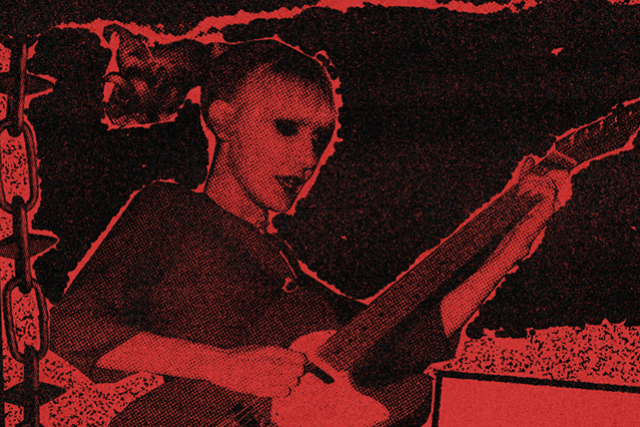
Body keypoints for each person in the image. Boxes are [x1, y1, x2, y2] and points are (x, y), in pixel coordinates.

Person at [50, 40, 568, 427]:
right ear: (223, 120)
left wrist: (514, 241)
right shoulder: (169, 213)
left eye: (320, 137)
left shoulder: (285, 274)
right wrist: (222, 366)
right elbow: (72, 327)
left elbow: (398, 339)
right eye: (286, 128)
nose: (307, 158)